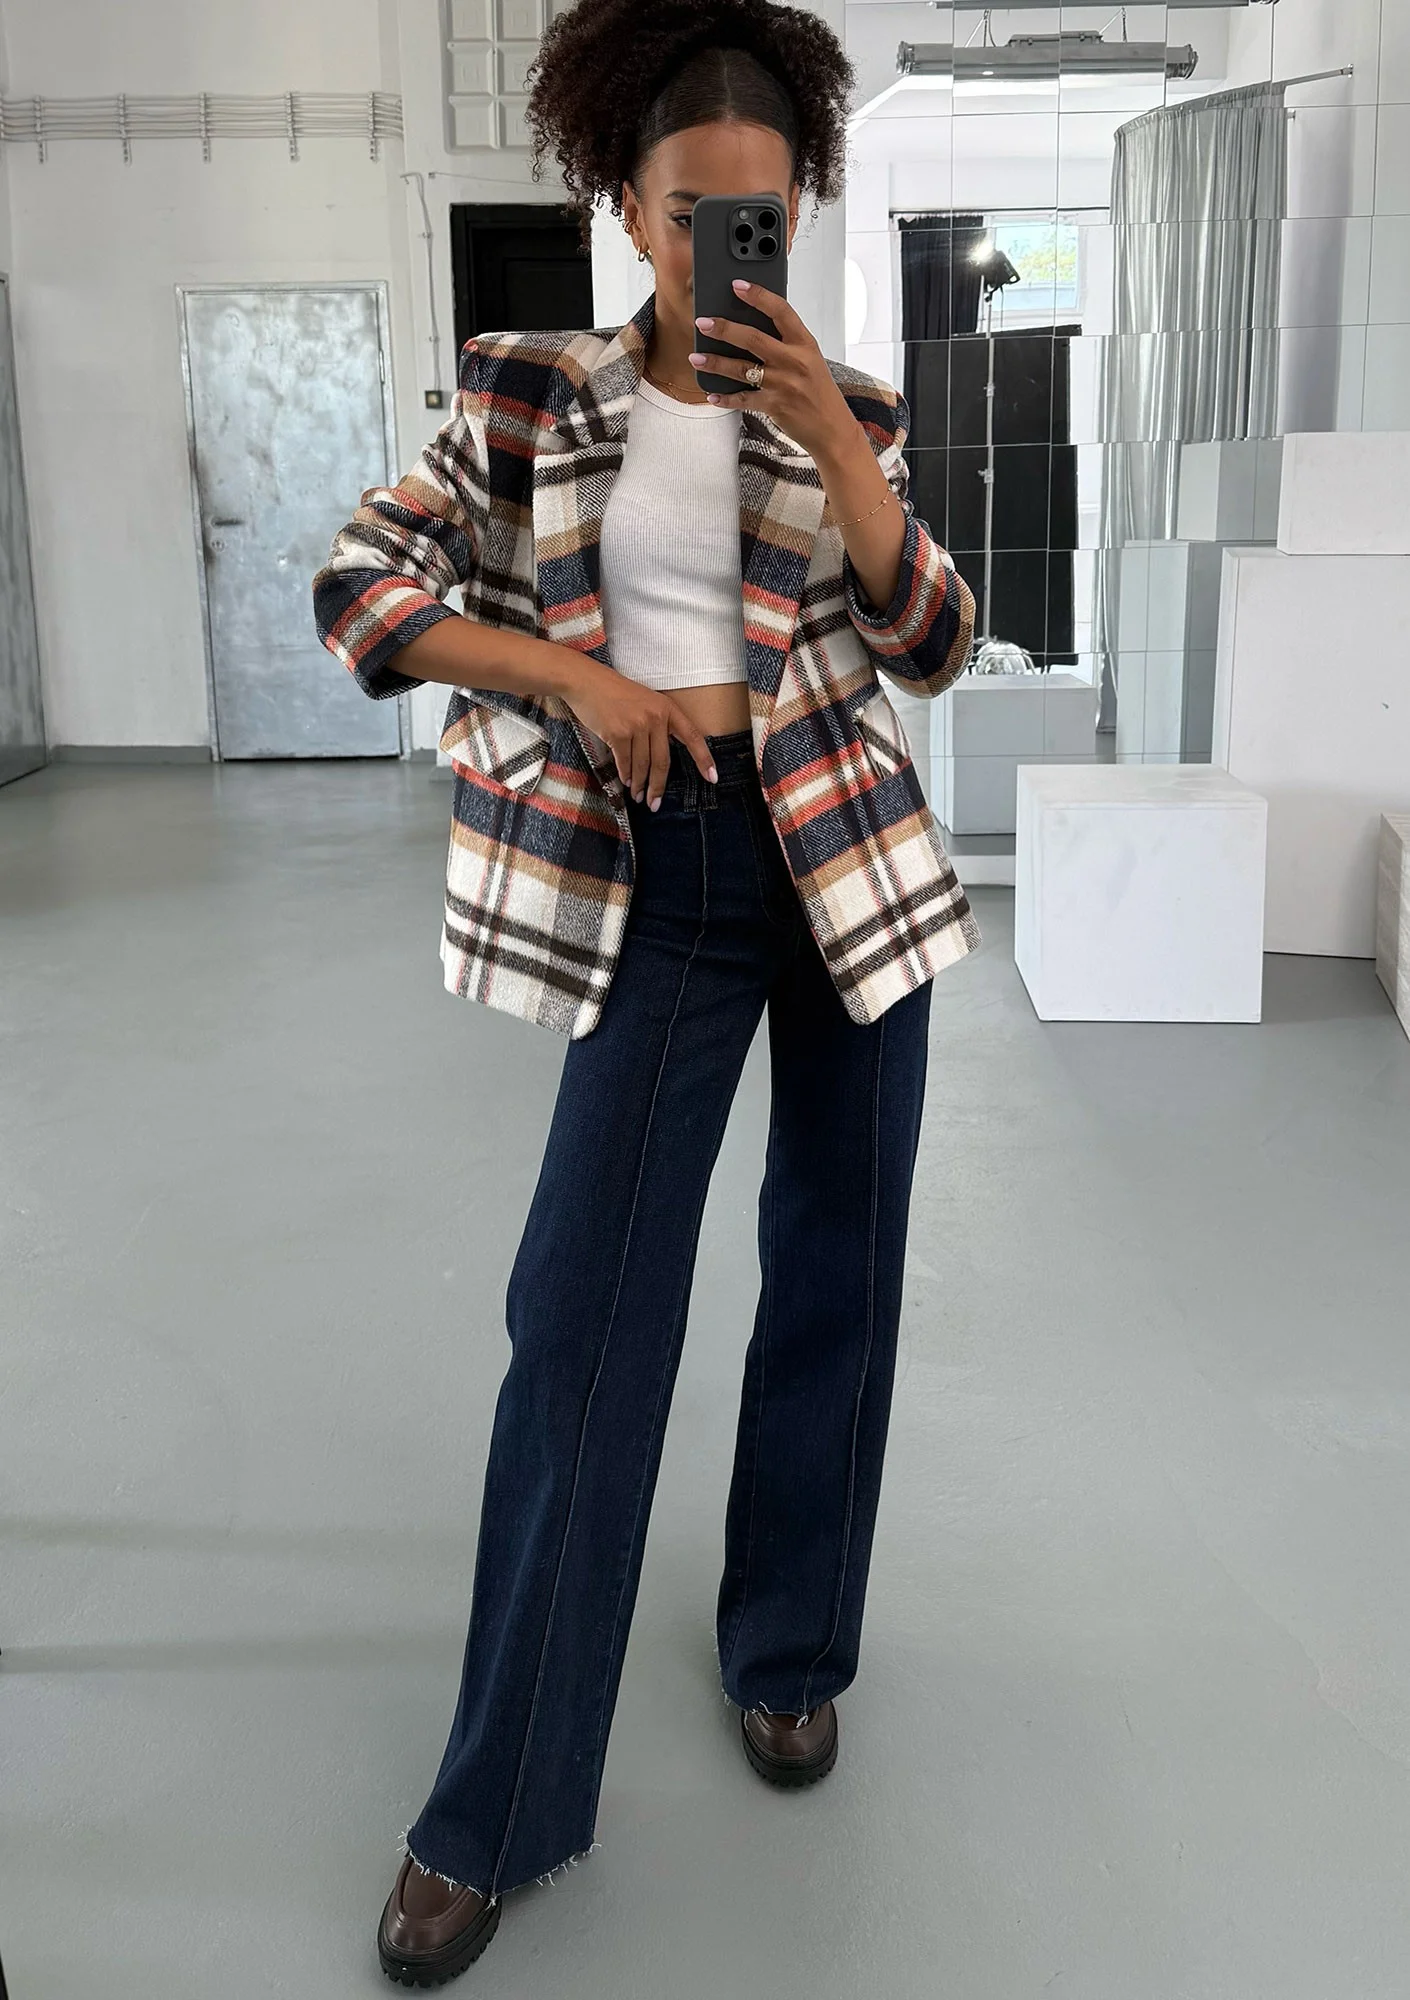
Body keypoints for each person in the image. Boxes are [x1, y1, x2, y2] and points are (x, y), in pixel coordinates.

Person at [312, 0, 981, 1981]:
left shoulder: (855, 405)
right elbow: (363, 585)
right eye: (690, 212)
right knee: (580, 1322)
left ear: (802, 211)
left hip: (845, 872)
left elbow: (935, 642)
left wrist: (841, 449)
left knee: (837, 1280)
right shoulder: (530, 391)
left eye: (758, 214)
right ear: (625, 203)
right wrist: (569, 679)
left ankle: (789, 1649)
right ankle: (497, 1802)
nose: (720, 250)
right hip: (657, 879)